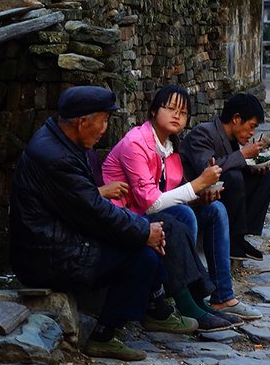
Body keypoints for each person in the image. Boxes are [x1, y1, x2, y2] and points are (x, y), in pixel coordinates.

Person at [10, 85, 197, 362]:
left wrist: (143, 230)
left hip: (60, 238)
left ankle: (161, 304)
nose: (105, 128)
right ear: (83, 121)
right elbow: (94, 211)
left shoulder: (61, 143)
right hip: (45, 255)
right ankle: (105, 334)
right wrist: (143, 231)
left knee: (157, 231)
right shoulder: (56, 156)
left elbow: (88, 206)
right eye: (103, 120)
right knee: (143, 255)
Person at [102, 85, 261, 323]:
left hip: (151, 211)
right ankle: (187, 300)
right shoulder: (136, 142)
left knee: (214, 210)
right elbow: (151, 202)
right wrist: (197, 185)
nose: (177, 115)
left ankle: (221, 296)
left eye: (184, 112)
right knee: (182, 216)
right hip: (127, 215)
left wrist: (198, 195)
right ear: (154, 111)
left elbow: (170, 192)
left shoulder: (170, 146)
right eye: (171, 108)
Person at [181, 93, 270, 262]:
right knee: (233, 177)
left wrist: (253, 167)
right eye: (251, 126)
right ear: (237, 118)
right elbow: (207, 171)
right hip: (198, 199)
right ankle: (233, 240)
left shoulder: (230, 139)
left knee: (266, 176)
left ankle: (240, 237)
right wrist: (242, 154)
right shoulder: (203, 133)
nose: (252, 133)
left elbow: (232, 164)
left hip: (221, 193)